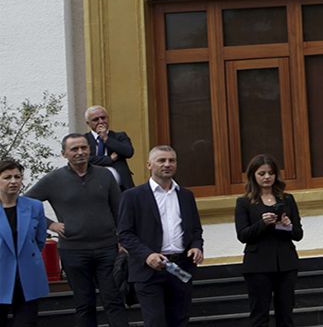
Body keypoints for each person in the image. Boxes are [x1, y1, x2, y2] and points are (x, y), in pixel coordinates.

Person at [26, 133, 127, 327]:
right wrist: (50, 224)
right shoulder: (53, 179)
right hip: (73, 251)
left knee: (113, 300)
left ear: (89, 149)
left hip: (107, 248)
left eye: (84, 148)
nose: (80, 152)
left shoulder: (105, 175)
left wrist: (123, 239)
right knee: (84, 303)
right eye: (74, 149)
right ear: (64, 153)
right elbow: (26, 204)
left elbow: (119, 209)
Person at [118, 146, 204, 327]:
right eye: (162, 160)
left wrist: (197, 246)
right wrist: (147, 255)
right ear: (149, 165)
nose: (167, 164)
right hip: (148, 270)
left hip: (180, 267)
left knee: (180, 321)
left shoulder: (186, 195)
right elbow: (125, 234)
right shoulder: (132, 196)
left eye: (172, 160)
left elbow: (195, 229)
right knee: (155, 322)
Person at [234, 154, 303, 327]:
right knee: (259, 314)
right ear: (253, 175)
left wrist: (286, 225)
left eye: (270, 173)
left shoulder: (287, 199)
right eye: (262, 173)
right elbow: (243, 235)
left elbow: (298, 234)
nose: (267, 177)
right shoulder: (244, 202)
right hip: (258, 264)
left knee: (286, 313)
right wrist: (263, 223)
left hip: (286, 263)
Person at [0, 158, 52, 327]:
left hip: (27, 277)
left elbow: (39, 240)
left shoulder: (35, 206)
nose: (14, 181)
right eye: (7, 177)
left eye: (17, 176)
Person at [84, 107, 134, 191]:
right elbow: (86, 159)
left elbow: (128, 152)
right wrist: (109, 159)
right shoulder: (84, 140)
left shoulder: (119, 136)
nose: (101, 121)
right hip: (91, 187)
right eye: (95, 119)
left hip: (121, 188)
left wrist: (106, 138)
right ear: (88, 123)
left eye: (103, 118)